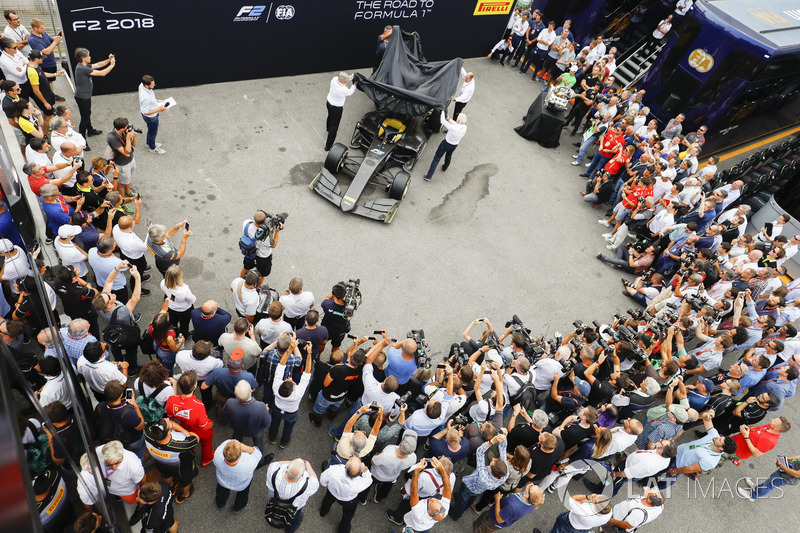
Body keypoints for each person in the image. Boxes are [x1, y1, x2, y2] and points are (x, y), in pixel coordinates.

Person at [92, 264, 143, 370]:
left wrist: (117, 268)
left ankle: (119, 361)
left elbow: (109, 281)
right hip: (127, 332)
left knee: (116, 348)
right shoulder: (121, 312)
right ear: (109, 305)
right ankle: (133, 368)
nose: (110, 293)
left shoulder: (102, 306)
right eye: (109, 296)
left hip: (114, 330)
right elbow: (135, 298)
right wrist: (137, 278)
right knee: (131, 351)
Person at [449, 432, 509, 521]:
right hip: (479, 490)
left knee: (462, 500)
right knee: (470, 499)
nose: (493, 459)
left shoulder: (483, 475)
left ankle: (455, 515)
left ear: (492, 470)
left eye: (493, 461)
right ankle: (463, 503)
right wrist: (504, 438)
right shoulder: (505, 473)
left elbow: (480, 452)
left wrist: (492, 442)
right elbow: (503, 452)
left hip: (469, 487)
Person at [166, 371, 215, 466]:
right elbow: (204, 426)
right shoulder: (199, 405)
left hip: (184, 428)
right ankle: (206, 459)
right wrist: (212, 424)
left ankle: (190, 451)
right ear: (195, 387)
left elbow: (171, 415)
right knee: (207, 443)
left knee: (188, 443)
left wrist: (174, 384)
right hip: (200, 430)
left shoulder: (171, 400)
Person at [270, 341, 312, 448]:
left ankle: (272, 438)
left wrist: (289, 350)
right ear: (293, 389)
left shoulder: (276, 386)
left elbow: (281, 365)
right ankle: (284, 443)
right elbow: (307, 372)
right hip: (291, 413)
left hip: (276, 408)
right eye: (291, 381)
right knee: (288, 428)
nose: (290, 378)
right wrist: (309, 353)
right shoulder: (298, 393)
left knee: (274, 423)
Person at [144, 418, 198, 503]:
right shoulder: (181, 444)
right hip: (181, 468)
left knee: (166, 476)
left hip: (160, 464)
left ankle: (170, 489)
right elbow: (195, 438)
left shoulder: (147, 434)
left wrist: (168, 425)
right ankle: (185, 495)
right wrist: (186, 432)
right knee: (186, 481)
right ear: (169, 432)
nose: (168, 419)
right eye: (168, 422)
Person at [265, 458, 320, 533]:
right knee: (295, 517)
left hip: (274, 500)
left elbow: (276, 463)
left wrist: (293, 462)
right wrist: (307, 464)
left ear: (287, 467)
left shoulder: (273, 471)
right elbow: (315, 479)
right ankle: (290, 530)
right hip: (294, 506)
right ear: (303, 474)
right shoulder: (308, 485)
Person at [319, 456, 373, 533]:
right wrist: (365, 471)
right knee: (347, 515)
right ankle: (342, 530)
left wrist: (327, 485)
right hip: (348, 500)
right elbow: (369, 480)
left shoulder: (334, 470)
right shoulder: (359, 483)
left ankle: (323, 512)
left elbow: (322, 480)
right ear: (359, 472)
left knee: (327, 501)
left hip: (332, 492)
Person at [95, 380, 146, 459]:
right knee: (140, 447)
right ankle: (139, 460)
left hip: (113, 440)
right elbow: (141, 426)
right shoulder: (129, 412)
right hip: (132, 440)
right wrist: (135, 405)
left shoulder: (99, 407)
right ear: (121, 395)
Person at [222, 379, 271, 455]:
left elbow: (226, 415)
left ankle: (234, 453)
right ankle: (259, 459)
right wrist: (266, 411)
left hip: (237, 428)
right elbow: (267, 423)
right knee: (258, 445)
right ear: (251, 391)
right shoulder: (261, 407)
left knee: (236, 439)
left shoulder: (230, 402)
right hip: (255, 431)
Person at [73, 48, 114, 138]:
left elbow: (98, 64)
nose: (90, 57)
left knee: (87, 114)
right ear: (83, 58)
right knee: (84, 118)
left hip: (85, 96)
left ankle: (90, 130)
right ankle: (82, 138)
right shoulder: (82, 68)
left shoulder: (84, 66)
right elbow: (102, 73)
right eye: (88, 56)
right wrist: (112, 65)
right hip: (82, 98)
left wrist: (109, 60)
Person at [472, 483, 544, 533]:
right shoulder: (533, 503)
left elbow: (499, 519)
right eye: (534, 485)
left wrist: (497, 500)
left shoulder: (513, 506)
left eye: (531, 487)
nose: (531, 484)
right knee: (492, 529)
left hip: (492, 519)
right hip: (502, 523)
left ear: (527, 495)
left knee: (482, 527)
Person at [369, 430, 418, 503]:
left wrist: (377, 454)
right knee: (387, 487)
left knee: (369, 483)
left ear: (401, 443)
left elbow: (373, 461)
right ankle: (379, 498)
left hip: (377, 474)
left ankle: (363, 497)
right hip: (393, 476)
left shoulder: (389, 450)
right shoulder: (413, 458)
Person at [213, 439, 262, 511]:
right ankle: (237, 507)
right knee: (243, 495)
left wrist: (233, 444)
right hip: (242, 484)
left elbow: (227, 442)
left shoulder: (217, 455)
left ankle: (220, 504)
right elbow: (257, 453)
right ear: (240, 454)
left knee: (221, 493)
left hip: (223, 481)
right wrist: (241, 446)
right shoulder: (249, 463)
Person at [240, 211, 282, 286]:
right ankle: (257, 288)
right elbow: (273, 245)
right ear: (265, 221)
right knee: (262, 273)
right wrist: (277, 231)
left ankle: (241, 282)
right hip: (263, 257)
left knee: (246, 267)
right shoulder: (266, 236)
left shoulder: (246, 224)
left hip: (249, 252)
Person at [424, 110, 467, 181]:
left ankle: (429, 176)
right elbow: (457, 124)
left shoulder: (453, 128)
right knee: (448, 156)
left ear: (458, 121)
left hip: (445, 144)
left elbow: (443, 121)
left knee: (436, 158)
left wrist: (442, 111)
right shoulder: (464, 127)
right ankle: (445, 167)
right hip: (454, 145)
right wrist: (450, 119)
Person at [325, 72, 357, 151]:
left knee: (330, 116)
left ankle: (327, 128)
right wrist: (355, 84)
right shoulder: (343, 90)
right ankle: (328, 146)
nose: (347, 82)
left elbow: (343, 80)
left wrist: (350, 77)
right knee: (334, 127)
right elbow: (350, 92)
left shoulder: (334, 79)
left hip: (329, 103)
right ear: (343, 82)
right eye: (346, 81)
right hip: (337, 108)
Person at [160, 265, 196, 337]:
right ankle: (184, 335)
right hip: (184, 310)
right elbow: (192, 299)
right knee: (184, 324)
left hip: (171, 307)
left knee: (172, 321)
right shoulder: (184, 289)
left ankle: (173, 333)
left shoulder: (163, 283)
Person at [106, 117, 137, 196]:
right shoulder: (112, 138)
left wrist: (134, 135)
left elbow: (134, 145)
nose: (128, 128)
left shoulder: (125, 132)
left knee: (127, 178)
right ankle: (122, 201)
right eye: (127, 127)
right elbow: (126, 153)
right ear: (122, 129)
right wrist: (127, 138)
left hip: (130, 160)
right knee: (122, 184)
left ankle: (128, 192)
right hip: (122, 164)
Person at [138, 75, 167, 154]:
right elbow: (146, 112)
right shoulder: (146, 98)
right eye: (152, 84)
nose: (154, 85)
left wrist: (158, 101)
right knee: (153, 133)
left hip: (152, 114)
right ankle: (152, 148)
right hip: (151, 117)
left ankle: (149, 143)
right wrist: (160, 109)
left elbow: (151, 100)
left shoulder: (142, 85)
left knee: (150, 131)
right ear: (146, 85)